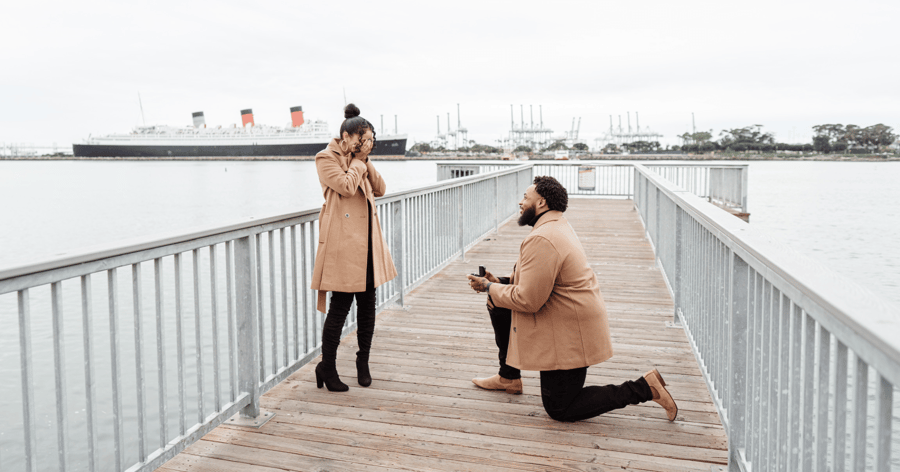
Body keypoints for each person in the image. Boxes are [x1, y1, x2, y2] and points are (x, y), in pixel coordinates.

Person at [466, 176, 677, 422]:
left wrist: (489, 286)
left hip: (570, 332)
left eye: (525, 197)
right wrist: (499, 283)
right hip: (568, 318)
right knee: (497, 301)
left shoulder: (542, 238)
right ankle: (508, 376)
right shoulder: (555, 225)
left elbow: (529, 300)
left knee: (560, 408)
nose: (520, 202)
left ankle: (644, 388)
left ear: (542, 202)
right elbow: (537, 282)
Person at [310, 103, 397, 392]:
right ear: (346, 137)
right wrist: (360, 161)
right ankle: (328, 366)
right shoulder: (325, 158)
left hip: (368, 243)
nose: (366, 145)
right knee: (340, 308)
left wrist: (366, 160)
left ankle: (363, 362)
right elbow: (346, 187)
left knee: (368, 307)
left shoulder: (362, 160)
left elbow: (381, 189)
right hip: (344, 244)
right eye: (363, 139)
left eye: (371, 140)